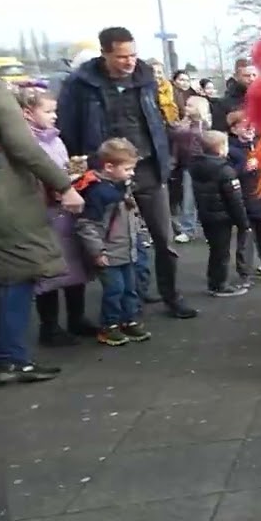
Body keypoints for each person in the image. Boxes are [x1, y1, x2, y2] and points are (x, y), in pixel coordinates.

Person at [56, 27, 198, 319]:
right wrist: (76, 166)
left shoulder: (146, 78)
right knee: (109, 240)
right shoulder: (80, 84)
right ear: (105, 53)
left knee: (164, 238)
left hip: (147, 168)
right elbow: (68, 126)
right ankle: (119, 306)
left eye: (133, 54)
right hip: (105, 173)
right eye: (121, 56)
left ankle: (171, 296)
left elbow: (157, 118)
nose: (129, 61)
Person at [0, 82, 83, 383]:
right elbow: (22, 145)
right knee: (17, 272)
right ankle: (11, 359)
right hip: (3, 199)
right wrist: (64, 185)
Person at [18, 87, 97, 346]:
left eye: (55, 111)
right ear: (28, 113)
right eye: (48, 111)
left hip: (67, 212)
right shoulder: (25, 144)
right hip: (44, 213)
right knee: (49, 272)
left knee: (76, 267)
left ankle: (77, 318)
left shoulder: (56, 139)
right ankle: (49, 327)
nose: (54, 116)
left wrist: (75, 173)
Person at [73, 138, 152, 347]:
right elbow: (87, 224)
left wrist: (140, 236)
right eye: (127, 169)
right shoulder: (99, 192)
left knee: (129, 287)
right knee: (114, 289)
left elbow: (132, 215)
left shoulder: (120, 187)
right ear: (109, 167)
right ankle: (109, 326)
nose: (132, 173)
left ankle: (128, 319)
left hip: (126, 248)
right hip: (108, 251)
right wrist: (98, 251)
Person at [188, 130, 250, 297]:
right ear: (221, 148)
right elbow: (235, 200)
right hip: (222, 216)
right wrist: (243, 223)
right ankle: (220, 284)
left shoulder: (196, 166)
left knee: (214, 249)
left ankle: (213, 280)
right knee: (222, 252)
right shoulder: (225, 171)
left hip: (206, 215)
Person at [225, 111, 261, 284]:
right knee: (246, 240)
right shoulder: (229, 149)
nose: (250, 128)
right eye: (245, 125)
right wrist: (244, 168)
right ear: (234, 129)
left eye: (252, 124)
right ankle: (245, 274)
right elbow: (225, 175)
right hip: (245, 201)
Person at [168, 95, 210, 243]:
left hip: (205, 164)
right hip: (188, 164)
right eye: (186, 105)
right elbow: (175, 138)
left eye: (190, 105)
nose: (186, 108)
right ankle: (188, 229)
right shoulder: (185, 124)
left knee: (207, 198)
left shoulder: (205, 124)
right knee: (188, 199)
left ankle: (209, 230)